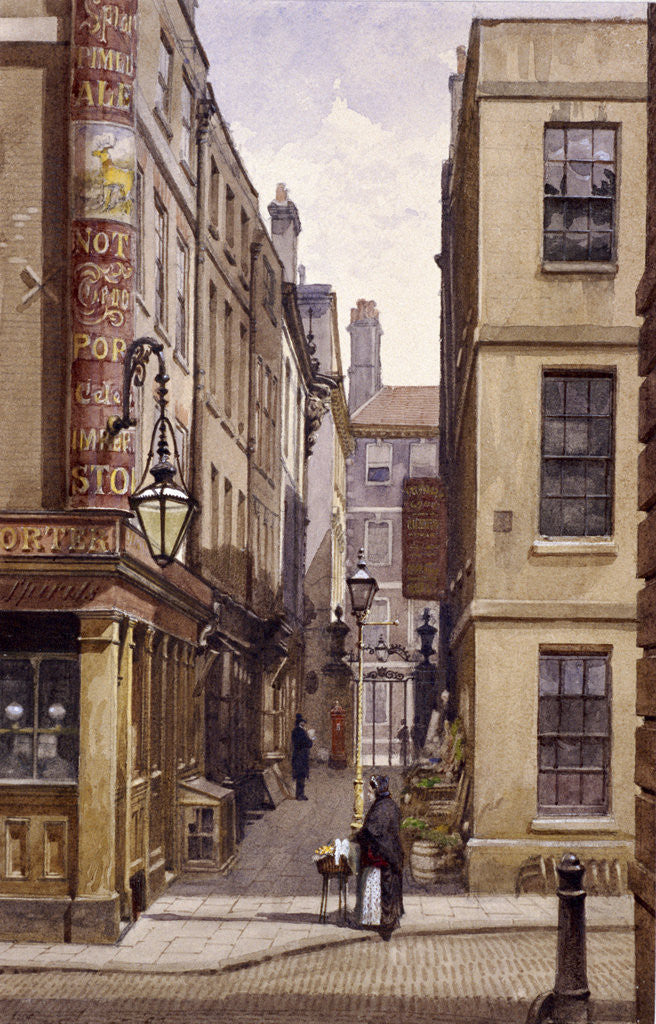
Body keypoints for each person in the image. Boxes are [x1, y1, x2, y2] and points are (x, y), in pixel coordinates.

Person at [353, 774, 404, 940]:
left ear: (377, 790)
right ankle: (387, 919)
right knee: (390, 888)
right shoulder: (389, 805)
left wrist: (356, 837)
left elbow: (372, 833)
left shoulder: (381, 809)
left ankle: (386, 924)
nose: (367, 794)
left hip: (384, 855)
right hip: (392, 853)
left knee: (386, 889)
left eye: (369, 791)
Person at [291, 713, 313, 800]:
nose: (304, 723)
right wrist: (311, 739)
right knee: (301, 775)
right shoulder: (302, 732)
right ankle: (300, 795)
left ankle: (299, 794)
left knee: (299, 775)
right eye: (303, 722)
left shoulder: (294, 731)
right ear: (301, 723)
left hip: (297, 755)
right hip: (302, 756)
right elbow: (308, 743)